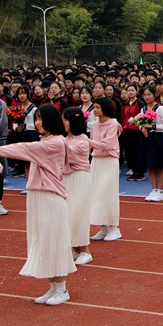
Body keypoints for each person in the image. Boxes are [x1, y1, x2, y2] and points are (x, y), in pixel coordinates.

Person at [0, 104, 76, 305]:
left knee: (53, 240)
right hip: (39, 196)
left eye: (40, 119)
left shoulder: (54, 143)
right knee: (42, 239)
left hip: (50, 197)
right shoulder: (46, 140)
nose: (37, 123)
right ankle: (53, 286)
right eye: (36, 119)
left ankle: (61, 288)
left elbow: (25, 149)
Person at [88, 97, 123, 241]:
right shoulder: (94, 125)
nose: (95, 110)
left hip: (109, 160)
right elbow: (95, 144)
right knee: (96, 193)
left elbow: (106, 144)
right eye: (94, 107)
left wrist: (87, 142)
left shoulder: (113, 124)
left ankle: (114, 227)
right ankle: (104, 227)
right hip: (97, 160)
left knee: (108, 192)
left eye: (97, 107)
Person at [62, 107, 93, 264]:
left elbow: (65, 154)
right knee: (68, 214)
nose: (62, 123)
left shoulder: (82, 140)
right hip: (67, 179)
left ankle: (85, 250)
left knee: (78, 213)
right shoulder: (66, 139)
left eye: (65, 119)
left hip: (79, 178)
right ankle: (75, 249)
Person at [141, 86, 163, 202]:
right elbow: (140, 123)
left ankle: (160, 190)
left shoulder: (160, 109)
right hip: (148, 138)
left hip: (158, 138)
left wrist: (153, 126)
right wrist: (142, 128)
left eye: (149, 94)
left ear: (154, 95)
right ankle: (153, 189)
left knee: (160, 165)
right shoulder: (143, 109)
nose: (147, 97)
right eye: (145, 95)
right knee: (151, 166)